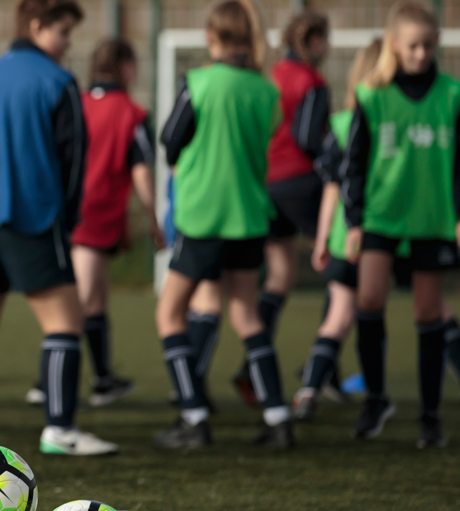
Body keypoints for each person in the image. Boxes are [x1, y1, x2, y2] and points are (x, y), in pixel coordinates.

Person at [0, 0, 118, 456]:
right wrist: (70, 219)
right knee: (64, 323)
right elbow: (72, 162)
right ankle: (60, 430)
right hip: (32, 218)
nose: (68, 43)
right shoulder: (57, 82)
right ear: (36, 26)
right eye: (62, 32)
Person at [338, 1, 460, 447]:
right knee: (368, 297)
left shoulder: (453, 95)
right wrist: (355, 220)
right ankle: (376, 399)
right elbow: (353, 164)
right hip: (382, 216)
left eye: (428, 45)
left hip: (432, 221)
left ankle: (430, 414)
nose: (421, 54)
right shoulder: (371, 95)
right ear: (394, 46)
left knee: (427, 313)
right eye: (413, 46)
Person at [154, 0, 292, 449]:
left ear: (212, 37)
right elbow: (267, 135)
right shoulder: (265, 90)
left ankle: (193, 417)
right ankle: (277, 415)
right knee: (245, 313)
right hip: (249, 216)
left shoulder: (198, 83)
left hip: (204, 216)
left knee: (170, 312)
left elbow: (171, 138)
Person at [229, 10, 333, 407]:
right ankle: (324, 367)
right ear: (315, 41)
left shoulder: (271, 75)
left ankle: (251, 370)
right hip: (302, 184)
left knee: (280, 276)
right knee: (345, 272)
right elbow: (308, 137)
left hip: (268, 184)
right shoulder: (312, 81)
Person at [67, 37, 158, 407]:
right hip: (97, 214)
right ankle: (48, 380)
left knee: (96, 297)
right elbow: (141, 171)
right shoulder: (132, 114)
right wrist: (155, 217)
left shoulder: (78, 105)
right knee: (81, 298)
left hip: (73, 210)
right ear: (124, 66)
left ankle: (103, 377)